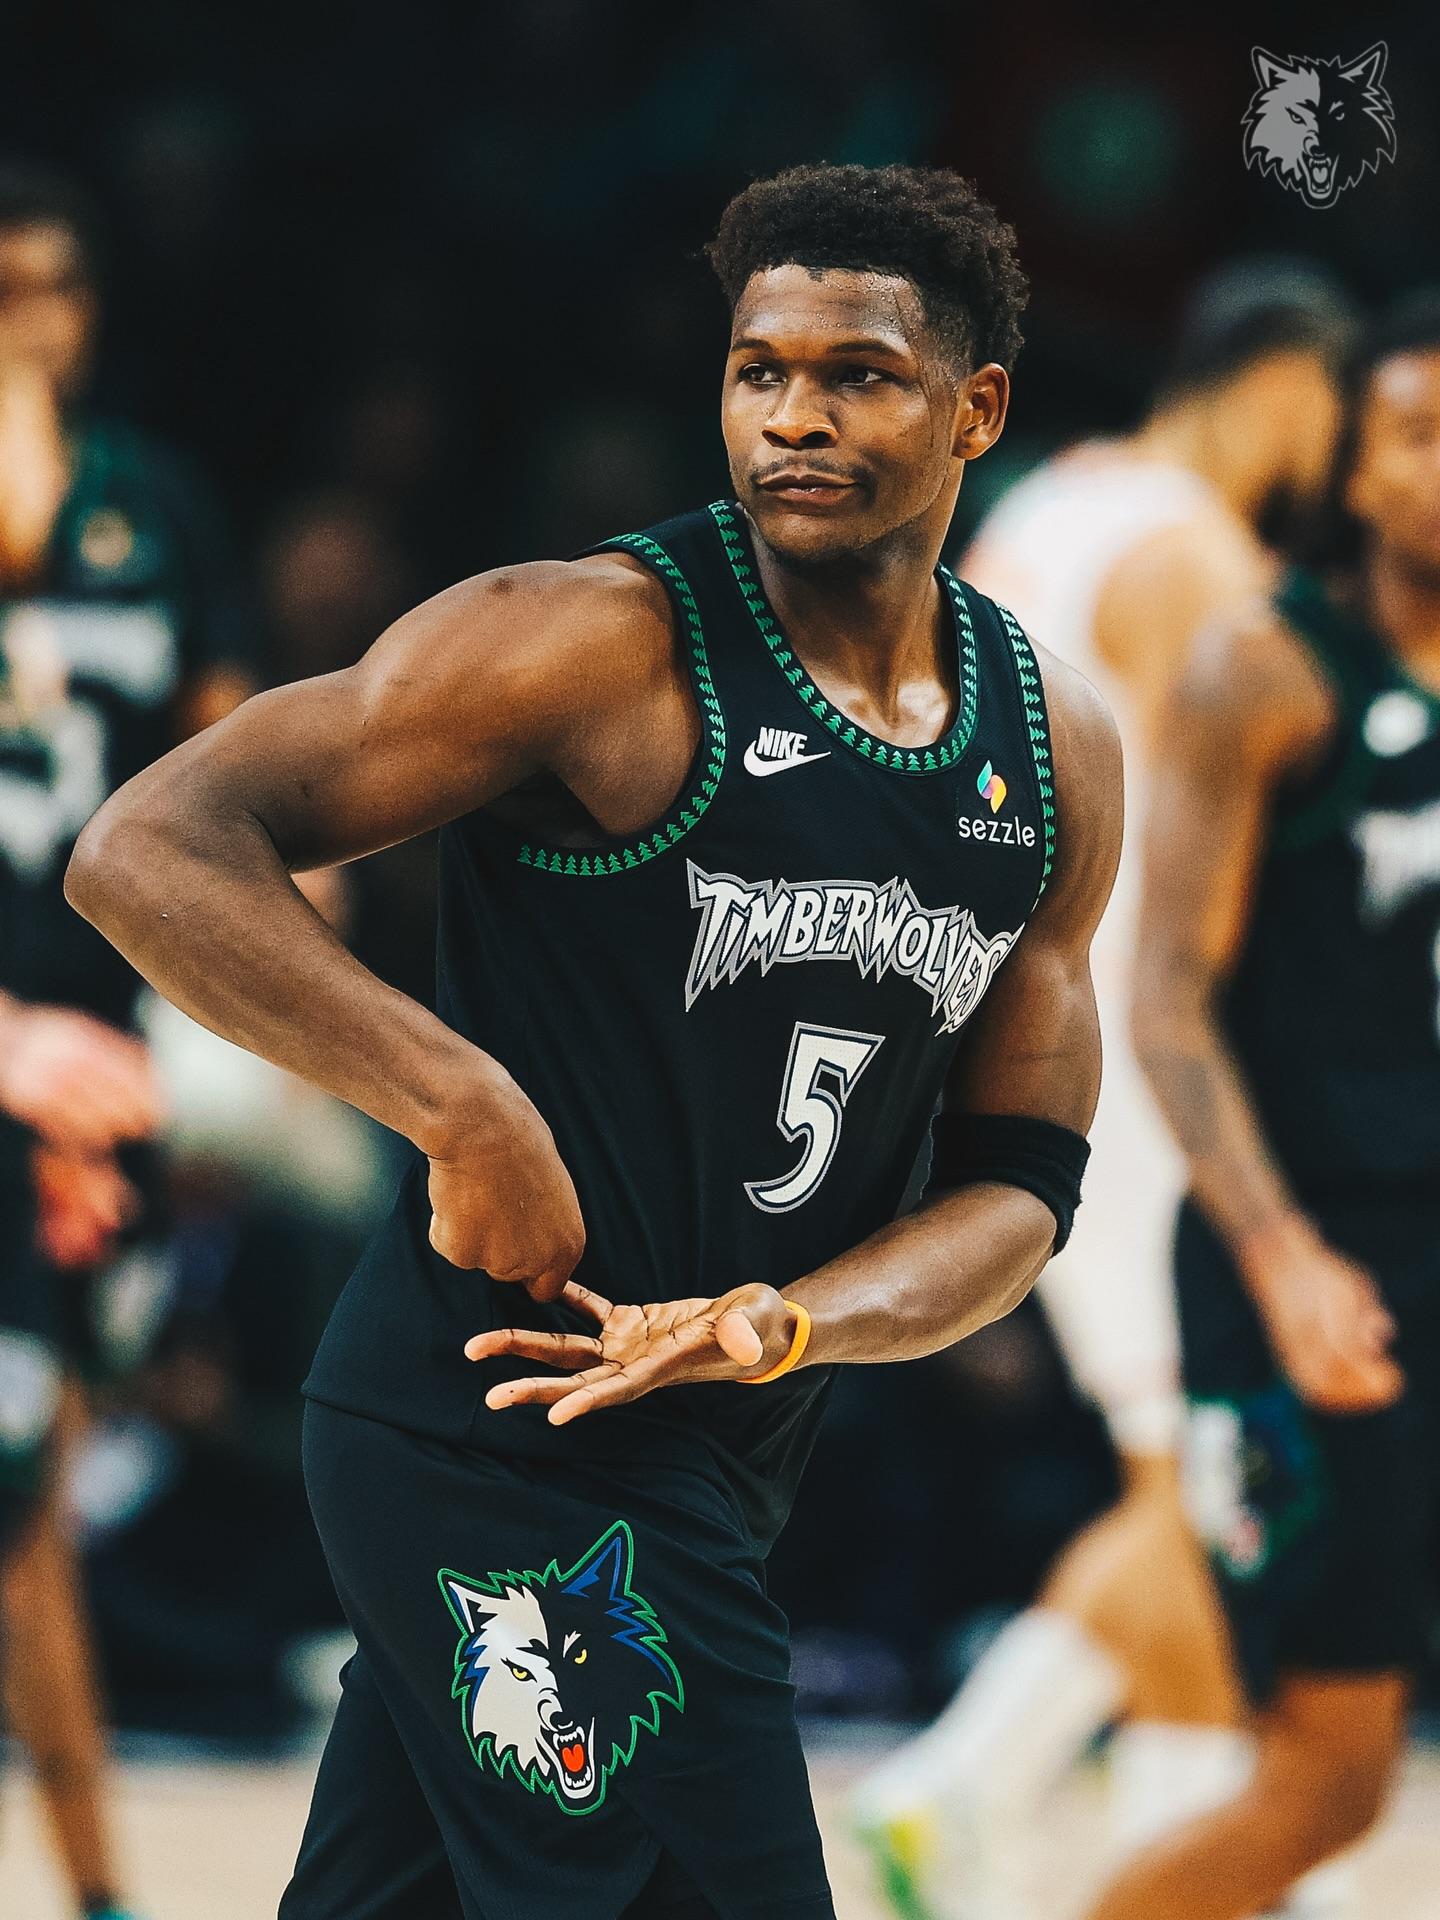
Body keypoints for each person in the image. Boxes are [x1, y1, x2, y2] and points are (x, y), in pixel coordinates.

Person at [65, 161, 1122, 1920]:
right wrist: (459, 1103)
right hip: (494, 1420)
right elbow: (149, 849)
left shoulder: (1050, 747)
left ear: (977, 410)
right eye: (758, 370)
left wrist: (789, 1321)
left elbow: (1019, 1192)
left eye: (857, 375)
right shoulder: (595, 642)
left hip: (716, 1444)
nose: (793, 416)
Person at [851, 262, 1357, 1917]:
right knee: (1220, 1467)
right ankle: (1165, 1841)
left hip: (1003, 1020)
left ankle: (984, 1792)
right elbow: (1289, 821)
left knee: (1190, 1474)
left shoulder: (1051, 506)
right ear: (1286, 390)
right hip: (1137, 1058)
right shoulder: (1183, 552)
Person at [1082, 292, 1440, 1919]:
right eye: (1417, 435)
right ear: (1351, 467)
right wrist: (1284, 1257)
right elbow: (1166, 999)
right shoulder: (1266, 668)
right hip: (1310, 1261)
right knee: (1325, 1782)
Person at [0, 159, 255, 1920]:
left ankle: (96, 1890)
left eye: (57, 286)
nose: (35, 320)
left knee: (39, 1506)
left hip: (95, 1055)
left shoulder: (156, 507)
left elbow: (227, 763)